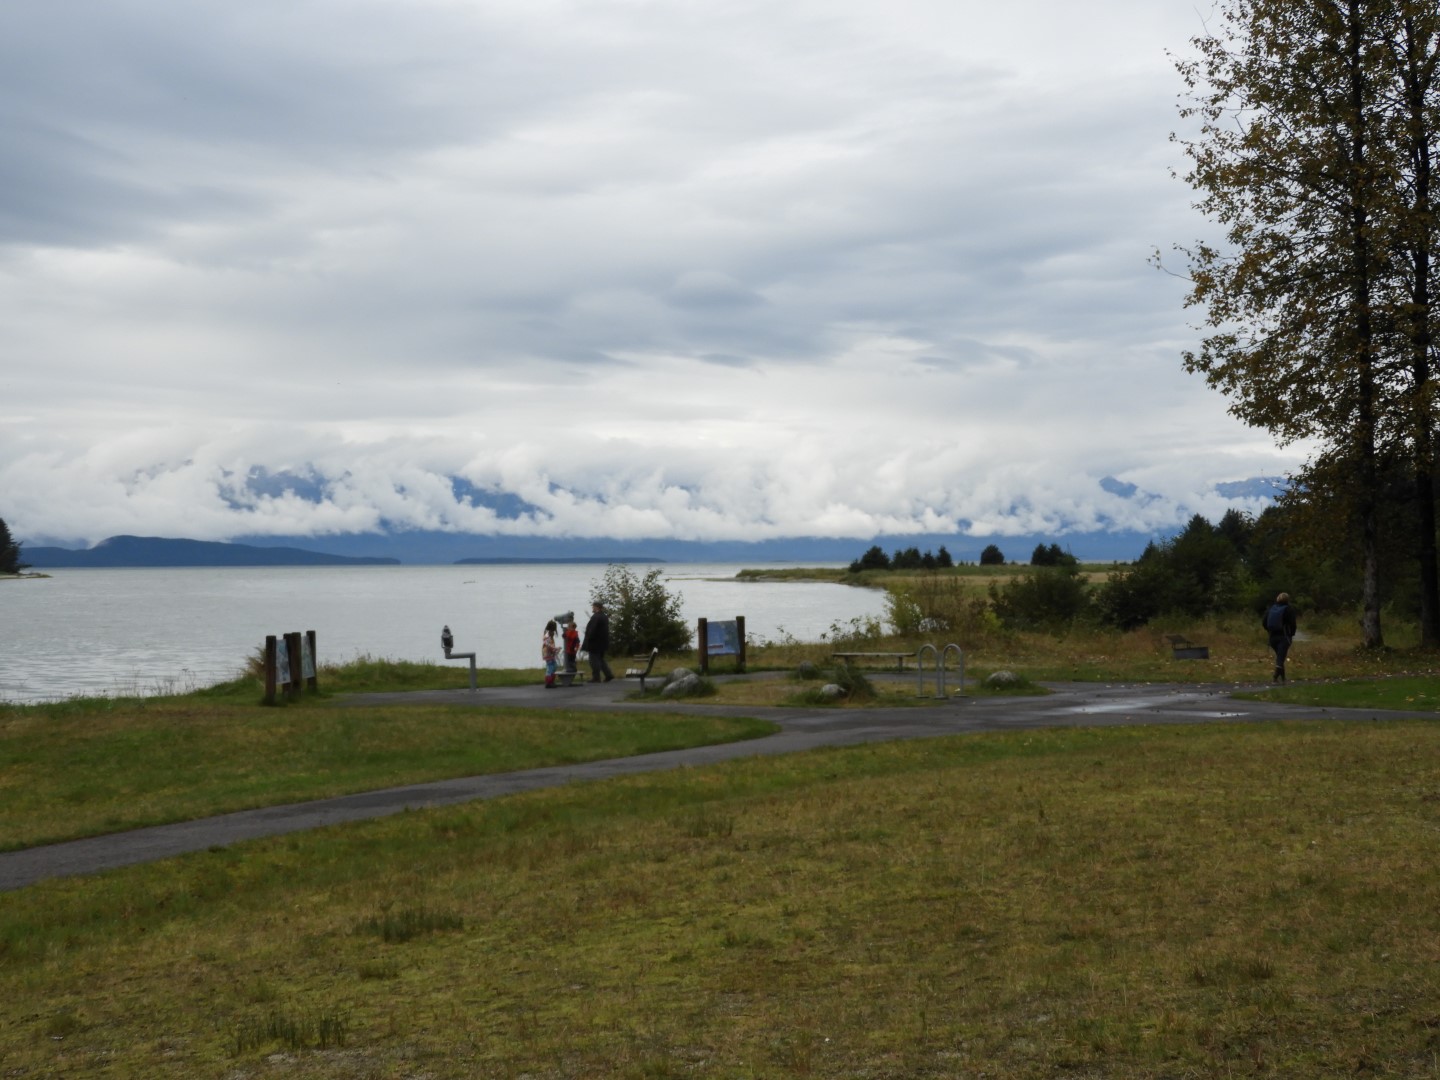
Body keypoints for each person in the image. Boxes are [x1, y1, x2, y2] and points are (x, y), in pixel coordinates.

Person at [1262, 592, 1298, 682]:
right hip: (1284, 636)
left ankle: (1283, 678)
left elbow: (1264, 622)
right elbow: (1293, 624)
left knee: (1280, 656)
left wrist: (1269, 630)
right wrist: (1291, 634)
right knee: (1281, 658)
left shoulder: (1271, 608)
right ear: (1287, 600)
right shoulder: (1288, 609)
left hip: (1272, 637)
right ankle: (1275, 676)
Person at [581, 601, 615, 683]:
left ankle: (596, 677)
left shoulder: (596, 617)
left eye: (593, 607)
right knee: (601, 659)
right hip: (603, 642)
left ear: (597, 607)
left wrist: (588, 639)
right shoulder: (604, 617)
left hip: (595, 643)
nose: (592, 608)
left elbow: (592, 630)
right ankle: (608, 674)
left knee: (593, 660)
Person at [541, 619, 559, 688]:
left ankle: (551, 681)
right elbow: (547, 644)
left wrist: (555, 649)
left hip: (551, 654)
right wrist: (554, 648)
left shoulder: (550, 634)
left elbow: (550, 644)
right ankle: (548, 682)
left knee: (554, 666)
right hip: (547, 654)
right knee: (550, 668)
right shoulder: (547, 635)